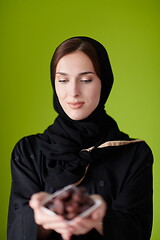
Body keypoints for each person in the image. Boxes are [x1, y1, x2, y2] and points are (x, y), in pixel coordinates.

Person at [7, 37, 153, 240]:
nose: (73, 92)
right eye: (63, 80)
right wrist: (38, 219)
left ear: (105, 83)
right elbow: (16, 232)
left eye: (86, 80)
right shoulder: (28, 151)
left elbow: (138, 231)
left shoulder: (134, 153)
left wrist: (101, 219)